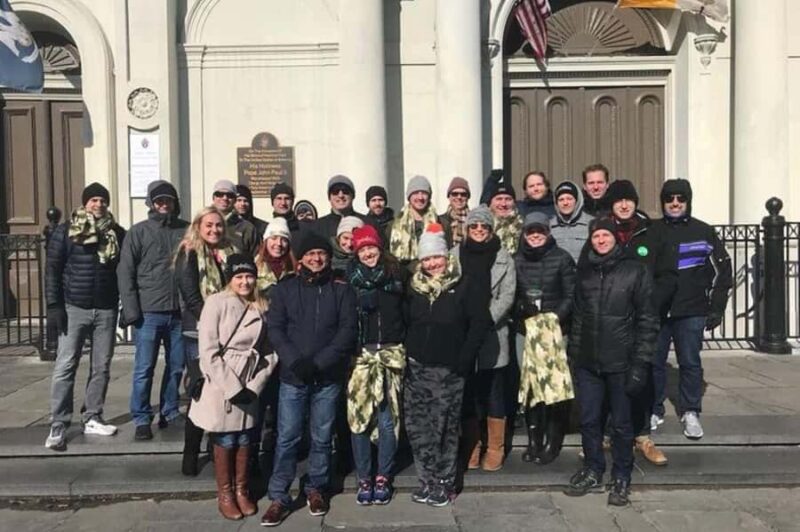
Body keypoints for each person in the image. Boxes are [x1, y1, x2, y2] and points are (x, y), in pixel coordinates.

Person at [262, 231, 358, 527]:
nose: (317, 259)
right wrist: (295, 361)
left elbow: (347, 331)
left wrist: (319, 363)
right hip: (294, 376)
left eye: (322, 254)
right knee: (288, 437)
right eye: (311, 254)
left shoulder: (340, 289)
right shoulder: (285, 289)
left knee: (321, 436)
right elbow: (276, 329)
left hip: (326, 376)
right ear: (301, 259)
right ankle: (279, 495)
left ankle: (316, 487)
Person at [565, 218, 658, 506]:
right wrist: (575, 358)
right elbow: (578, 319)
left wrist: (640, 364)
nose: (601, 240)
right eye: (596, 236)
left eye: (606, 235)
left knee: (621, 424)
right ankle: (593, 467)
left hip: (622, 361)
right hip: (589, 362)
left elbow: (647, 320)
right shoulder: (585, 273)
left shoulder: (635, 271)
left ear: (615, 238)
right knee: (590, 420)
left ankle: (621, 476)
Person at [403, 223, 491, 507]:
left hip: (449, 369)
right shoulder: (414, 287)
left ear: (446, 256)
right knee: (419, 428)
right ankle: (426, 479)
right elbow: (407, 322)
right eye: (426, 259)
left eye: (436, 257)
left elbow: (479, 324)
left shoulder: (464, 285)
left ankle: (445, 481)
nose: (432, 264)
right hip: (417, 368)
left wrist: (465, 359)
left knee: (444, 427)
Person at [189, 254, 277, 521]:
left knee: (246, 437)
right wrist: (232, 387)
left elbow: (269, 351)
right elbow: (208, 350)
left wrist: (255, 384)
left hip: (249, 378)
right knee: (226, 438)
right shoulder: (216, 303)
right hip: (222, 382)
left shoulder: (261, 304)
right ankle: (225, 494)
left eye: (249, 275)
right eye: (239, 276)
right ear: (230, 278)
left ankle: (242, 490)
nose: (245, 281)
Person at [44, 183, 126, 451]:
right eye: (93, 200)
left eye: (103, 200)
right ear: (84, 203)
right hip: (73, 307)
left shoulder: (116, 233)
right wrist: (54, 306)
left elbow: (122, 271)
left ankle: (92, 415)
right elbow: (53, 270)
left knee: (101, 365)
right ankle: (59, 421)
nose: (98, 204)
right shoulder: (65, 231)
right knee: (66, 364)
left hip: (105, 307)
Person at [651, 178, 732, 440]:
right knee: (653, 363)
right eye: (669, 199)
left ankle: (690, 411)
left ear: (688, 201)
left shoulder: (704, 231)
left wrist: (716, 308)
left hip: (692, 310)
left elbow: (723, 271)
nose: (675, 203)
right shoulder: (651, 231)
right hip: (658, 311)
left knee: (690, 362)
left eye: (680, 199)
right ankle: (653, 409)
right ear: (662, 202)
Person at [597, 179, 670, 466]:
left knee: (643, 375)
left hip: (643, 319)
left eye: (628, 200)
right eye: (618, 201)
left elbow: (668, 276)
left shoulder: (652, 234)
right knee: (609, 377)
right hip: (612, 321)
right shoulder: (603, 233)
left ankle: (642, 435)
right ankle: (607, 433)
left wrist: (651, 302)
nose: (624, 205)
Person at [118, 180, 190, 441]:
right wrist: (131, 309)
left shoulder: (186, 230)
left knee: (175, 366)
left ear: (175, 203)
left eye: (168, 200)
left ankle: (170, 410)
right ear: (151, 203)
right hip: (148, 312)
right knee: (144, 368)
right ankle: (141, 417)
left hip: (179, 312)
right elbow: (125, 271)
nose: (163, 205)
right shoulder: (138, 232)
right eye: (159, 200)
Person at [346, 224, 407, 506]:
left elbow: (406, 314)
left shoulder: (396, 275)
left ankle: (383, 475)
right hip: (361, 356)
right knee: (359, 419)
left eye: (372, 247)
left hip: (391, 353)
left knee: (386, 419)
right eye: (363, 249)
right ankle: (364, 476)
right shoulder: (351, 281)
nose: (368, 253)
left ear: (379, 248)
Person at [174, 206, 236, 476]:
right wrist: (213, 322)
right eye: (209, 225)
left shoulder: (229, 252)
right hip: (199, 330)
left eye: (218, 225)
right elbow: (190, 294)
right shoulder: (189, 252)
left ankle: (217, 448)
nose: (214, 230)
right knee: (200, 389)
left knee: (222, 388)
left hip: (228, 330)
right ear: (198, 226)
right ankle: (190, 453)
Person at [455, 206, 516, 472]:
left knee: (493, 392)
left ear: (492, 230)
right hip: (463, 334)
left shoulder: (504, 257)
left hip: (492, 332)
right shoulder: (454, 255)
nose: (479, 231)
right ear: (467, 229)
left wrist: (486, 320)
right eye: (474, 227)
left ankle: (495, 447)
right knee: (468, 392)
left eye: (484, 227)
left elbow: (507, 295)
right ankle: (472, 444)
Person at [514, 212, 576, 465]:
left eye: (540, 230)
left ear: (548, 233)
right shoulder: (516, 260)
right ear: (525, 234)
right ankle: (533, 439)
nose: (535, 235)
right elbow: (513, 293)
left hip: (554, 330)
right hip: (526, 331)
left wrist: (553, 318)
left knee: (553, 386)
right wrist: (521, 307)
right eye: (531, 231)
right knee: (531, 386)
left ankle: (553, 440)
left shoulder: (562, 258)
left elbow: (571, 294)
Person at [390, 175, 447, 267]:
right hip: (404, 276)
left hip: (433, 272)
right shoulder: (394, 225)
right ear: (409, 197)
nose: (420, 197)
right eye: (416, 193)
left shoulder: (442, 223)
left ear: (429, 196)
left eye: (424, 193)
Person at [211, 179, 260, 256]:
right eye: (220, 194)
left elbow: (258, 260)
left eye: (230, 195)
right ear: (213, 198)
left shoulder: (247, 228)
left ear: (234, 200)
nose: (225, 198)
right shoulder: (201, 224)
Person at [549, 180, 594, 263]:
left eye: (569, 198)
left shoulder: (591, 223)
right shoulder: (549, 226)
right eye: (561, 199)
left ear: (577, 201)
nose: (565, 203)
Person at [314, 175, 369, 240]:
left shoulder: (368, 223)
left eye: (345, 191)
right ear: (329, 197)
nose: (340, 195)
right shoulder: (317, 227)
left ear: (353, 196)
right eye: (335, 191)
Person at [255, 217, 296, 300]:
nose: (279, 243)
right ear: (266, 241)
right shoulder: (255, 266)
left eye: (284, 240)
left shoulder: (294, 269)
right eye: (274, 238)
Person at [484, 171, 524, 255]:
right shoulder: (482, 226)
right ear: (490, 203)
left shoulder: (523, 226)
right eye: (499, 199)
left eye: (508, 199)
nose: (503, 204)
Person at [440, 177, 471, 247]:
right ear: (449, 197)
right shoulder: (440, 221)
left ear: (468, 197)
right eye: (455, 194)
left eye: (463, 194)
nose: (459, 197)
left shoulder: (474, 221)